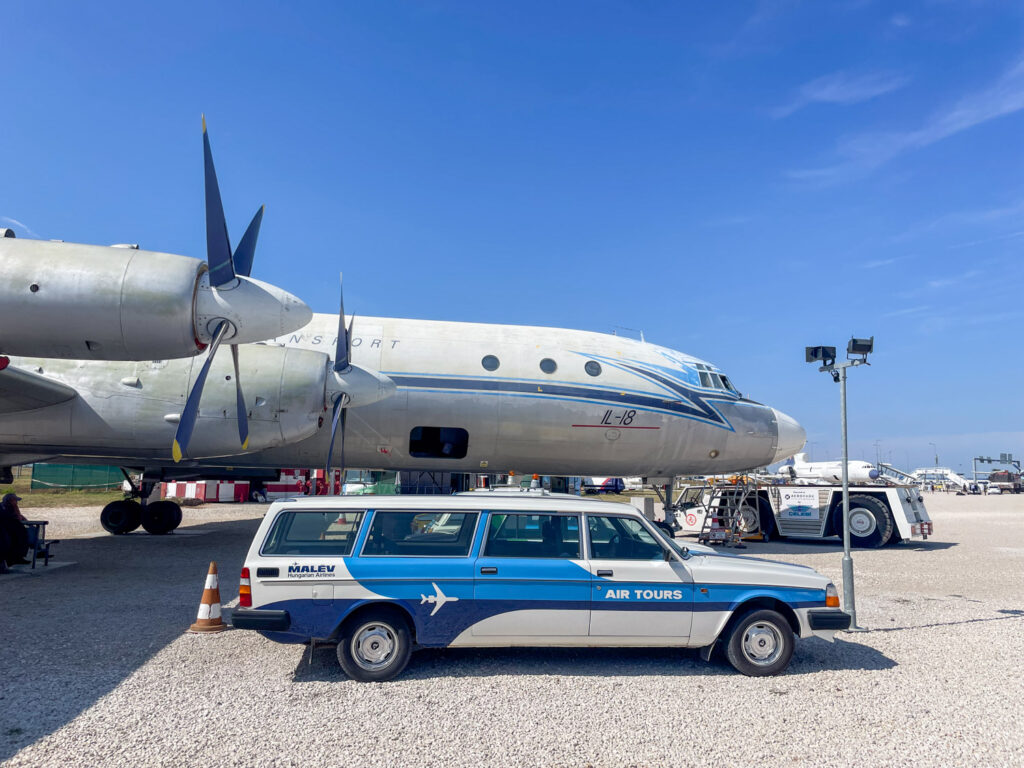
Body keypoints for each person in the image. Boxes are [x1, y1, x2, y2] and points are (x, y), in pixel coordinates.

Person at [0, 492, 31, 570]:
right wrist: (16, 508)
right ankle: (17, 558)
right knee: (23, 537)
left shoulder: (3, 506)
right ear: (10, 501)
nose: (16, 502)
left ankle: (18, 558)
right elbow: (18, 518)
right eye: (15, 501)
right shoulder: (9, 508)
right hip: (10, 531)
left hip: (8, 531)